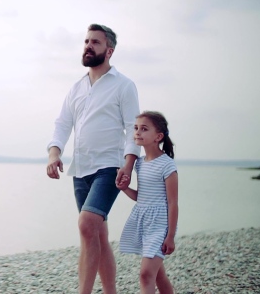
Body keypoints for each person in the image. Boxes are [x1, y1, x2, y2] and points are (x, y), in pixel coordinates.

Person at [46, 24, 140, 294]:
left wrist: (129, 163)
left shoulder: (124, 85)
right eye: (86, 41)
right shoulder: (76, 88)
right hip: (80, 169)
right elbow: (63, 124)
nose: (88, 45)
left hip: (110, 167)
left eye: (95, 42)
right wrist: (55, 152)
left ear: (109, 50)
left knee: (87, 224)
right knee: (96, 234)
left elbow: (133, 127)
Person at [116, 111, 178, 294]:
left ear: (158, 136)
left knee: (145, 275)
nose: (137, 133)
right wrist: (124, 188)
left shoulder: (167, 165)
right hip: (143, 223)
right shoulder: (139, 164)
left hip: (160, 224)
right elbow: (141, 197)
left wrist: (171, 236)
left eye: (144, 129)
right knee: (158, 275)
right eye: (136, 128)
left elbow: (173, 203)